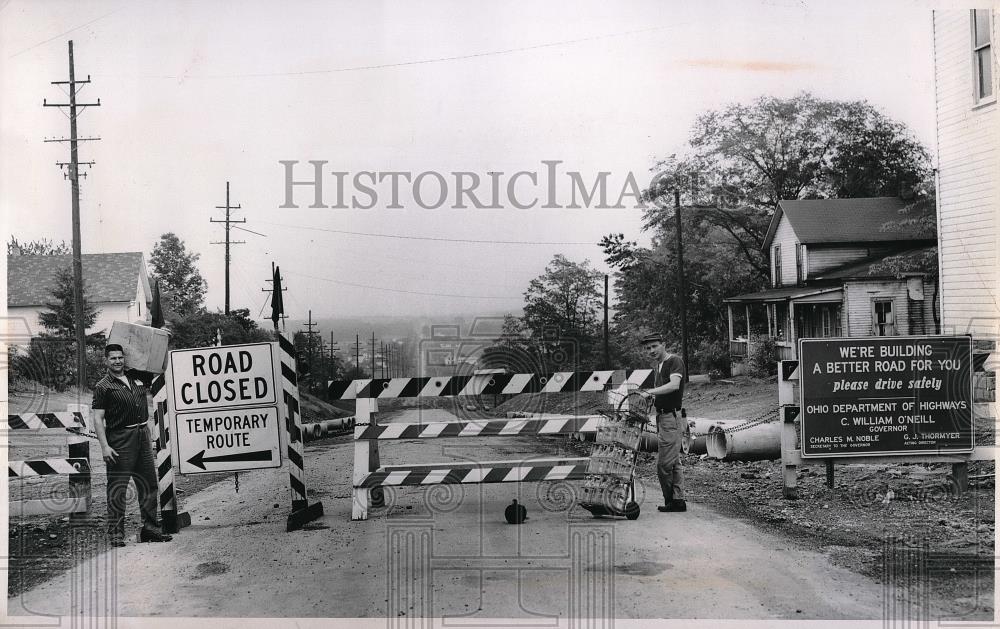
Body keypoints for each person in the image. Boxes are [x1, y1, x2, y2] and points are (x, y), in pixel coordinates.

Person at [92, 343, 173, 546]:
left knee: (149, 484)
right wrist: (104, 446)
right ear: (106, 361)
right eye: (113, 358)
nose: (118, 361)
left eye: (120, 357)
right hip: (120, 438)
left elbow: (161, 367)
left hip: (142, 435)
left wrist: (164, 340)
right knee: (118, 487)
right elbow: (97, 418)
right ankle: (116, 534)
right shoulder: (103, 386)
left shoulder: (136, 377)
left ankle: (151, 529)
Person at [640, 333, 687, 513]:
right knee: (674, 462)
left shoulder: (674, 361)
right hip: (663, 417)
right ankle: (678, 501)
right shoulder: (658, 367)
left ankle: (671, 500)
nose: (651, 351)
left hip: (670, 418)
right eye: (648, 348)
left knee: (663, 465)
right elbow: (662, 393)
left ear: (663, 345)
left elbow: (674, 385)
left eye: (654, 346)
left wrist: (650, 392)